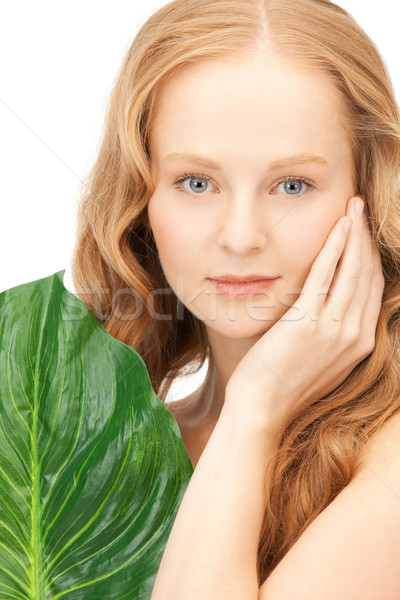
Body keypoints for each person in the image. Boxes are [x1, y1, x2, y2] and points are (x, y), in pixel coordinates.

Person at [68, 0, 399, 596]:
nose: (242, 237)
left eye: (292, 185)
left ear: (369, 194)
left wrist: (255, 406)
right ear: (141, 200)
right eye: (197, 182)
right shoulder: (103, 447)